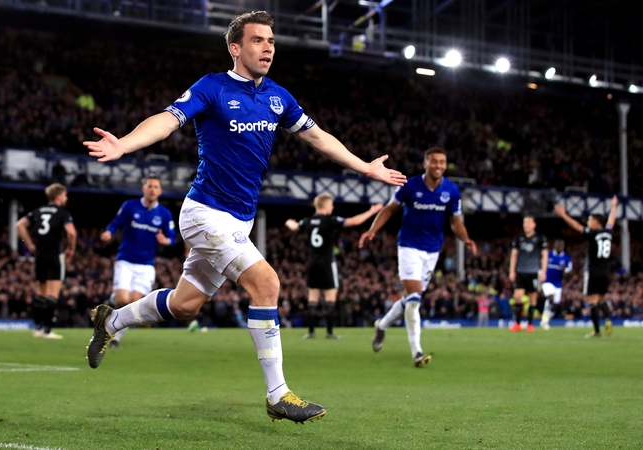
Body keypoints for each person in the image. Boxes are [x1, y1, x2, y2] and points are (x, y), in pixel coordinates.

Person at [82, 11, 406, 423]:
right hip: (204, 214)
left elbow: (318, 137)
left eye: (271, 40)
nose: (268, 46)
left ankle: (112, 319)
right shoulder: (212, 87)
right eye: (257, 40)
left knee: (185, 306)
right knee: (267, 283)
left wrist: (366, 167)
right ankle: (278, 394)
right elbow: (167, 120)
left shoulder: (277, 96)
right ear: (236, 48)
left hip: (239, 221)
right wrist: (125, 145)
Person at [359, 147, 476, 367]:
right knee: (414, 299)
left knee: (410, 300)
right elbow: (389, 209)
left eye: (442, 162)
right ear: (426, 164)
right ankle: (417, 352)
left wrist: (466, 239)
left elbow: (456, 221)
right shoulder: (410, 186)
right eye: (434, 162)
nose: (439, 166)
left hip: (433, 250)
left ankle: (382, 325)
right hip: (409, 246)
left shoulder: (451, 190)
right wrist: (373, 230)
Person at [285, 194, 382, 339]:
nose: (333, 207)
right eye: (331, 204)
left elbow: (293, 226)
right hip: (326, 263)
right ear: (324, 205)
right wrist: (372, 211)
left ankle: (311, 332)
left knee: (313, 297)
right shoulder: (330, 220)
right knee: (330, 297)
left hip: (312, 263)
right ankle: (329, 332)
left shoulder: (308, 221)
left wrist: (288, 222)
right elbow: (354, 222)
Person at [100, 176, 176, 348]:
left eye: (156, 187)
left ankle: (116, 337)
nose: (152, 189)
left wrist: (166, 241)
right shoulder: (130, 206)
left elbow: (171, 237)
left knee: (133, 303)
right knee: (121, 300)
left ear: (160, 191)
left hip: (146, 265)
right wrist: (108, 233)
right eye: (149, 186)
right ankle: (114, 299)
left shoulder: (164, 214)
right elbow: (115, 223)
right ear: (144, 189)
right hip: (125, 260)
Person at [16, 183, 76, 340]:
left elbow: (20, 225)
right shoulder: (63, 213)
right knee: (52, 294)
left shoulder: (38, 211)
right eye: (64, 195)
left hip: (40, 254)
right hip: (55, 254)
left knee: (40, 292)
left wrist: (28, 244)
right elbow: (71, 232)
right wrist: (71, 248)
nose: (66, 198)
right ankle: (47, 331)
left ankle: (37, 328)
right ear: (58, 197)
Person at [554, 196, 617, 338]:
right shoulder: (607, 233)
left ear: (595, 222)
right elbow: (611, 221)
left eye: (589, 220)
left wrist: (564, 215)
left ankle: (596, 331)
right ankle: (607, 319)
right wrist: (613, 207)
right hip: (605, 271)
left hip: (593, 270)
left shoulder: (592, 233)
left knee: (592, 301)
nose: (588, 222)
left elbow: (576, 226)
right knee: (602, 298)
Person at [508, 216, 548, 332]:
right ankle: (517, 324)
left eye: (529, 222)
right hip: (520, 271)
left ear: (534, 225)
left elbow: (545, 255)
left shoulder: (540, 238)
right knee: (517, 297)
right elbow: (514, 255)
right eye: (525, 222)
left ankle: (530, 325)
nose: (526, 224)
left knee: (533, 298)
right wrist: (512, 271)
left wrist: (543, 272)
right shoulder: (518, 238)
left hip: (533, 271)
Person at [539, 239, 573, 330]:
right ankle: (544, 320)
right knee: (550, 297)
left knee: (555, 302)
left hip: (558, 283)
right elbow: (540, 265)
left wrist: (565, 270)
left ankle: (546, 318)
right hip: (547, 281)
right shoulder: (548, 255)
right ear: (554, 246)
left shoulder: (566, 258)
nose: (558, 247)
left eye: (561, 245)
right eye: (557, 245)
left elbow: (570, 273)